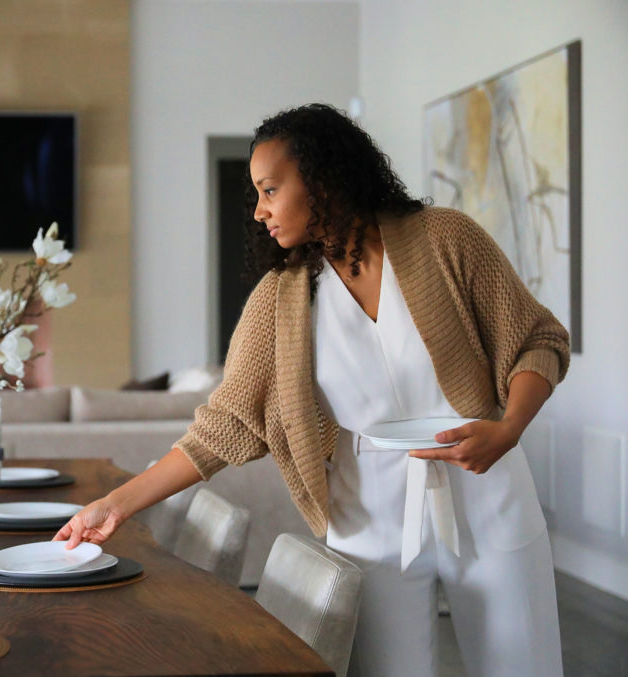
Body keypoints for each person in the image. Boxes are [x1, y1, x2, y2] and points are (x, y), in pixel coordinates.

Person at [54, 103, 570, 677]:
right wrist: (115, 505)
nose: (259, 211)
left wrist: (509, 428)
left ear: (323, 178)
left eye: (270, 189)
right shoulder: (281, 300)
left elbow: (536, 340)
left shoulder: (444, 238)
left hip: (489, 491)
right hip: (366, 515)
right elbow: (221, 429)